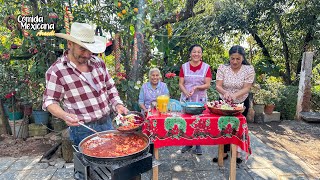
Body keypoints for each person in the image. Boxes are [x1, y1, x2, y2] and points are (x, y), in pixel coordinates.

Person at [42, 22, 128, 145]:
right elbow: (50, 101)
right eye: (82, 49)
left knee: (112, 160)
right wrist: (64, 115)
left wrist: (117, 104)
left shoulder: (98, 63)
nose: (87, 54)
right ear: (70, 44)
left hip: (108, 123)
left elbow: (110, 87)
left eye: (90, 50)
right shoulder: (57, 71)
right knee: (89, 163)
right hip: (83, 130)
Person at [213, 45, 255, 164]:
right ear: (229, 57)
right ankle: (224, 153)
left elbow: (247, 88)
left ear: (243, 58)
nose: (235, 61)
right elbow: (218, 86)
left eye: (238, 59)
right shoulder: (223, 68)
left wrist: (235, 96)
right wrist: (226, 93)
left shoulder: (248, 69)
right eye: (232, 58)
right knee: (223, 127)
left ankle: (236, 153)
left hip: (241, 102)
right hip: (224, 101)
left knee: (237, 127)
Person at [179, 44, 212, 155]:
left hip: (200, 99)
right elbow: (181, 83)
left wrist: (197, 87)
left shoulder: (206, 67)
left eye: (199, 52)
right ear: (190, 53)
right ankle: (188, 143)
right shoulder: (184, 67)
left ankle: (198, 144)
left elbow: (207, 85)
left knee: (199, 121)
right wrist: (185, 92)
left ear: (201, 54)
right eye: (194, 51)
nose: (196, 54)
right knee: (187, 120)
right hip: (186, 98)